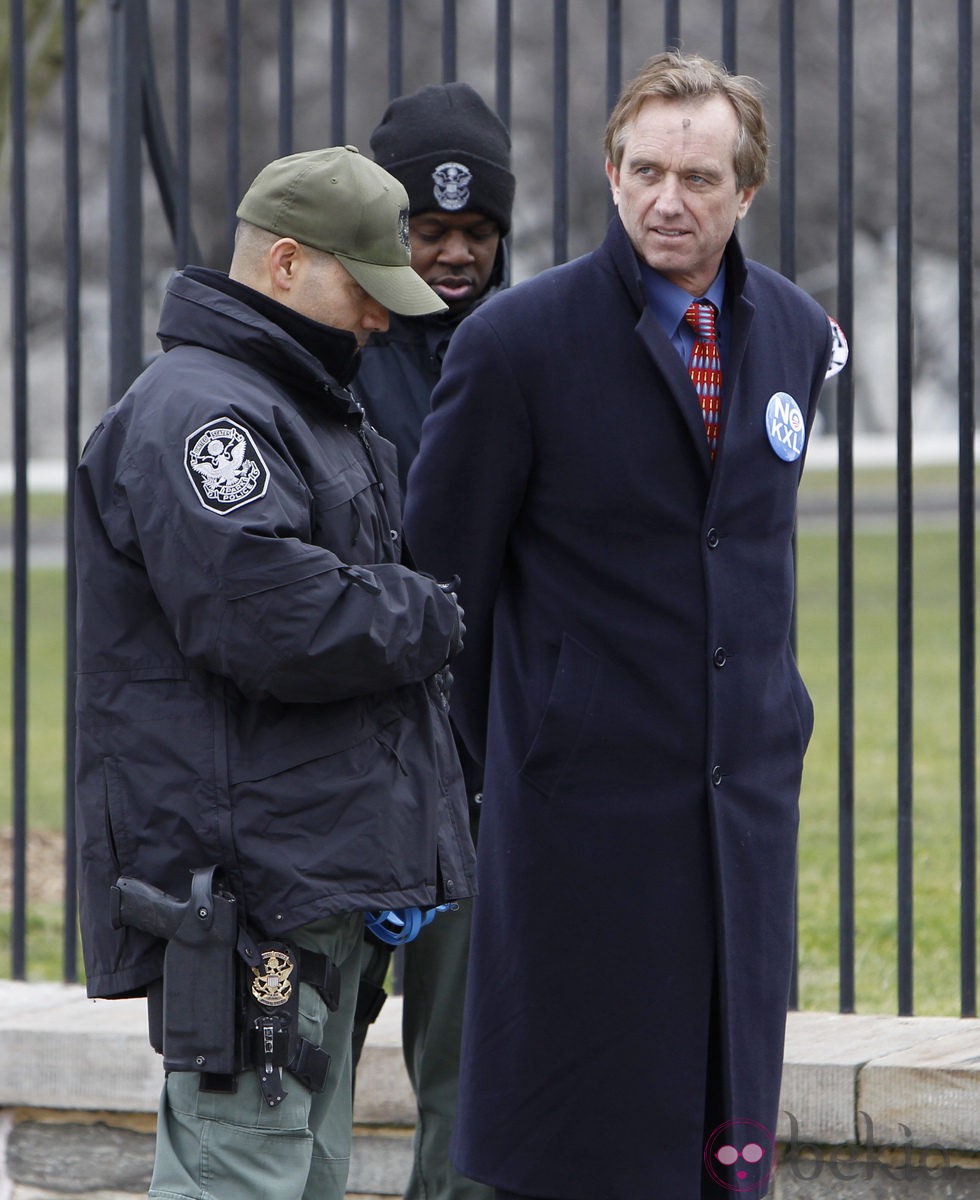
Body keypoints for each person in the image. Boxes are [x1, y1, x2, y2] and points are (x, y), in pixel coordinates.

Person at [404, 51, 846, 1200]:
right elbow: (442, 584)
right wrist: (520, 744)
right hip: (576, 818)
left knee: (719, 1133)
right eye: (644, 170)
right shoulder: (515, 345)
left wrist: (773, 719)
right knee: (578, 1140)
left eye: (698, 177)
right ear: (609, 174)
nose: (667, 199)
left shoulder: (795, 336)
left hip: (737, 810)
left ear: (744, 191)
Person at [73, 145, 477, 1200]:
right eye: (365, 289)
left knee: (298, 1173)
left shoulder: (293, 401)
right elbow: (268, 615)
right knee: (243, 1176)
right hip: (254, 887)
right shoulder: (203, 413)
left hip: (308, 875)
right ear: (287, 262)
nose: (382, 321)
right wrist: (428, 611)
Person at [351, 82, 514, 1200]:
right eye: (428, 230)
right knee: (291, 1058)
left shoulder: (526, 348)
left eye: (475, 232)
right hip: (343, 766)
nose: (453, 255)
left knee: (463, 1085)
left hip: (473, 773)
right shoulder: (333, 351)